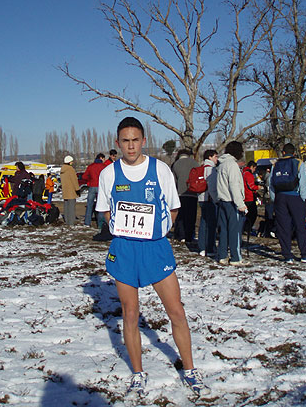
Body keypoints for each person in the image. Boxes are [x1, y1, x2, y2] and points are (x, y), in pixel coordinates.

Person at [95, 116, 210, 399]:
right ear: (117, 143)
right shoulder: (109, 174)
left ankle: (191, 369)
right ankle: (137, 373)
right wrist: (120, 229)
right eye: (125, 141)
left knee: (176, 311)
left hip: (156, 249)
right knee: (130, 314)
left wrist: (158, 230)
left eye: (135, 140)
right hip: (124, 250)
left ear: (143, 141)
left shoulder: (159, 169)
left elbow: (173, 208)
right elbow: (106, 212)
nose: (131, 146)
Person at [268, 143, 306, 263]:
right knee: (300, 226)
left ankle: (287, 255)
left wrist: (275, 198)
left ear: (283, 152)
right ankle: (305, 254)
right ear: (294, 153)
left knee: (283, 227)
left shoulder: (276, 164)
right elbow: (303, 183)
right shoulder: (298, 163)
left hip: (280, 197)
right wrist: (303, 198)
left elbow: (271, 183)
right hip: (295, 196)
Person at [216, 141, 248, 266]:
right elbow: (234, 186)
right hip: (232, 202)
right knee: (235, 231)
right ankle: (236, 257)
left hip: (222, 201)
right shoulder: (232, 165)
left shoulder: (221, 164)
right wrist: (240, 204)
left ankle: (222, 255)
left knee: (223, 230)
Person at [171, 149, 199, 244]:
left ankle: (181, 235)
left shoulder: (176, 164)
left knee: (181, 215)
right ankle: (189, 235)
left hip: (179, 194)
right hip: (192, 193)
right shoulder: (195, 163)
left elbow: (173, 181)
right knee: (191, 216)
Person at [197, 150, 219, 257]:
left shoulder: (201, 168)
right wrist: (216, 200)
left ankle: (201, 247)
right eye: (215, 156)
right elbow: (212, 187)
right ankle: (210, 247)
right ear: (210, 157)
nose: (217, 159)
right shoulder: (211, 169)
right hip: (210, 199)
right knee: (211, 225)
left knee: (203, 223)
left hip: (201, 199)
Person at [83, 153, 107, 228]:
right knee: (101, 205)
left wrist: (90, 180)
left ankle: (87, 222)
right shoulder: (104, 167)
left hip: (92, 186)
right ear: (101, 158)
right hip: (101, 187)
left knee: (89, 205)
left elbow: (84, 176)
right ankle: (101, 224)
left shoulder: (91, 166)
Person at [242, 160, 259, 247]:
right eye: (254, 168)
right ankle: (246, 229)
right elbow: (251, 186)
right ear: (252, 167)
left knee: (246, 215)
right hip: (249, 197)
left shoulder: (243, 173)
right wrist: (258, 187)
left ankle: (245, 228)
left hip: (244, 196)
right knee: (252, 214)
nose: (254, 170)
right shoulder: (248, 174)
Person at [60, 155, 81, 226]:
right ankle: (71, 222)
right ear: (69, 162)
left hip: (65, 190)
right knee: (71, 207)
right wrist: (77, 189)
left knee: (66, 207)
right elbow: (74, 180)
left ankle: (67, 220)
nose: (72, 162)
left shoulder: (62, 169)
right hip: (71, 191)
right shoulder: (70, 169)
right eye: (71, 161)